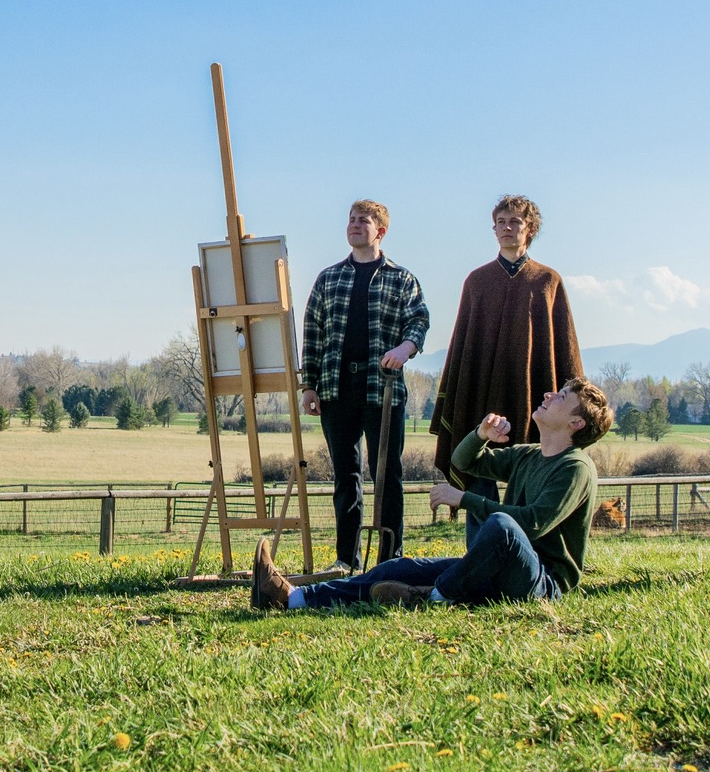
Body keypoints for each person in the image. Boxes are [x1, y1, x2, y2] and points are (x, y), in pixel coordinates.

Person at [253, 377, 612, 611]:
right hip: (500, 568)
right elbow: (463, 460)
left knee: (501, 524)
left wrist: (464, 500)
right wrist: (481, 433)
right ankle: (291, 597)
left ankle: (435, 598)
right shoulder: (529, 455)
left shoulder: (575, 468)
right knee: (399, 567)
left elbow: (531, 524)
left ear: (576, 423)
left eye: (562, 396)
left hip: (542, 583)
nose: (550, 394)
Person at [429, 195, 583, 511]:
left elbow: (563, 345)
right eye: (501, 222)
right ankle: (482, 552)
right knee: (478, 470)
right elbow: (463, 349)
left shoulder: (547, 280)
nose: (506, 228)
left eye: (515, 222)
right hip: (481, 397)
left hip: (532, 395)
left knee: (530, 471)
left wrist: (576, 397)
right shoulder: (477, 281)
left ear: (530, 230)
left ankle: (524, 552)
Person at [300, 200, 430, 570]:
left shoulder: (401, 278)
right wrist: (308, 385)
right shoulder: (328, 278)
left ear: (381, 231)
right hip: (337, 388)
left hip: (383, 389)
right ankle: (346, 559)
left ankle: (390, 561)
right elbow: (312, 333)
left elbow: (419, 321)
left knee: (387, 474)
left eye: (364, 221)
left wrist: (406, 348)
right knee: (346, 476)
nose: (355, 225)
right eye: (351, 220)